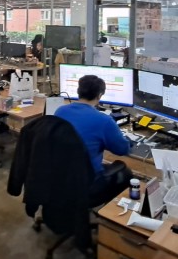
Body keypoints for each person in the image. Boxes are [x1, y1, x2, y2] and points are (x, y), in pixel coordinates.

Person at [54, 75, 133, 205]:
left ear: (78, 91)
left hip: (59, 177)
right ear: (99, 95)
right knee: (125, 172)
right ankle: (109, 214)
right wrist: (126, 141)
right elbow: (122, 150)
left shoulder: (60, 111)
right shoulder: (104, 120)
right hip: (87, 183)